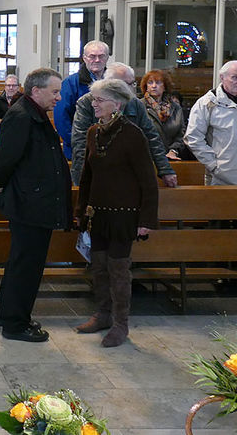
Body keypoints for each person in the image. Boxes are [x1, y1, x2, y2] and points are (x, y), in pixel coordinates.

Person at [0, 68, 71, 343]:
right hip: (29, 203)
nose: (59, 97)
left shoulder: (32, 113)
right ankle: (14, 323)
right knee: (25, 265)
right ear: (36, 91)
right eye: (55, 91)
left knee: (25, 264)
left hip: (36, 201)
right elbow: (5, 159)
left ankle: (12, 315)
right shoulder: (22, 116)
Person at [75, 78, 158, 347]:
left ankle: (121, 324)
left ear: (117, 103)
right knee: (98, 266)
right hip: (97, 212)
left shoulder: (132, 134)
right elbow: (87, 176)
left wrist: (146, 220)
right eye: (93, 100)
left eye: (99, 100)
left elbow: (148, 180)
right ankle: (103, 314)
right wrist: (81, 211)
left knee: (118, 268)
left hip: (124, 214)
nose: (94, 104)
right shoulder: (93, 133)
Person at [69, 62, 178, 188]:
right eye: (126, 84)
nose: (131, 88)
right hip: (93, 171)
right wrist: (94, 173)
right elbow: (80, 143)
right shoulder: (87, 102)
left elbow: (152, 137)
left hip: (125, 171)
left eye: (132, 83)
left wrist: (165, 169)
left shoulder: (135, 104)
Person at [185, 60, 237, 186]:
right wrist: (214, 165)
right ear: (222, 77)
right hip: (222, 178)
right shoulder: (207, 103)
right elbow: (193, 138)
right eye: (235, 77)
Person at [55, 40, 110, 158]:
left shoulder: (114, 83)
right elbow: (61, 118)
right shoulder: (70, 83)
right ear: (84, 58)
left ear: (107, 58)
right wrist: (79, 143)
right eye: (92, 56)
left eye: (101, 56)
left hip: (109, 149)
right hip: (79, 150)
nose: (97, 60)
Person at [139, 69, 189, 161]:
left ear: (165, 86)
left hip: (170, 157)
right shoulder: (139, 106)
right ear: (146, 86)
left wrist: (173, 151)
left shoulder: (175, 107)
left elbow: (181, 134)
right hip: (145, 157)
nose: (154, 86)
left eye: (158, 83)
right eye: (150, 83)